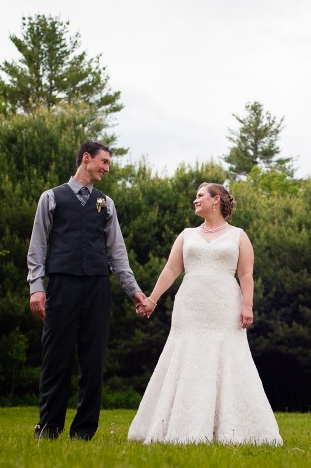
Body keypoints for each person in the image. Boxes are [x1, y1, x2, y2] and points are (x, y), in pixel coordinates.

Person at [128, 182, 282, 445]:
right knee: (187, 356)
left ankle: (233, 428)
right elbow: (171, 270)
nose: (195, 200)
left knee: (228, 357)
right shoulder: (187, 235)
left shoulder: (238, 236)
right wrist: (153, 299)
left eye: (200, 196)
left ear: (217, 200)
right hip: (190, 307)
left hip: (224, 306)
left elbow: (246, 273)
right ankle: (178, 425)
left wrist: (247, 305)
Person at [27, 140, 146, 441]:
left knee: (93, 360)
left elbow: (117, 252)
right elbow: (37, 247)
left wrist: (133, 290)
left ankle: (83, 432)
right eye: (104, 162)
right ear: (86, 158)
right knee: (56, 357)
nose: (107, 168)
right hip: (62, 285)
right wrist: (36, 288)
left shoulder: (106, 203)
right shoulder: (51, 198)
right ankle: (49, 427)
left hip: (97, 286)